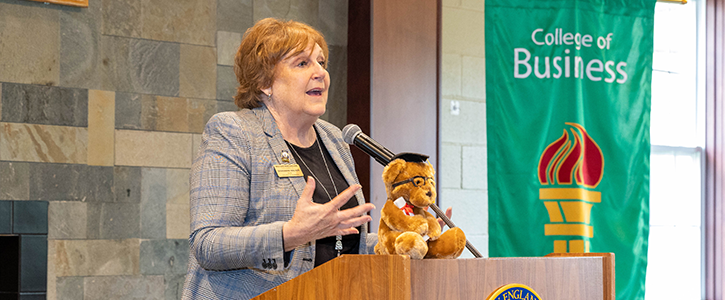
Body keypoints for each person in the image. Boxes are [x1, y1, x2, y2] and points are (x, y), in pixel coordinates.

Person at [181, 18, 377, 300]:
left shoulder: (333, 139)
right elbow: (208, 244)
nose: (320, 72)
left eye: (322, 63)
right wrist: (288, 235)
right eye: (302, 63)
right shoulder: (234, 133)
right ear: (264, 83)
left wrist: (402, 241)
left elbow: (339, 241)